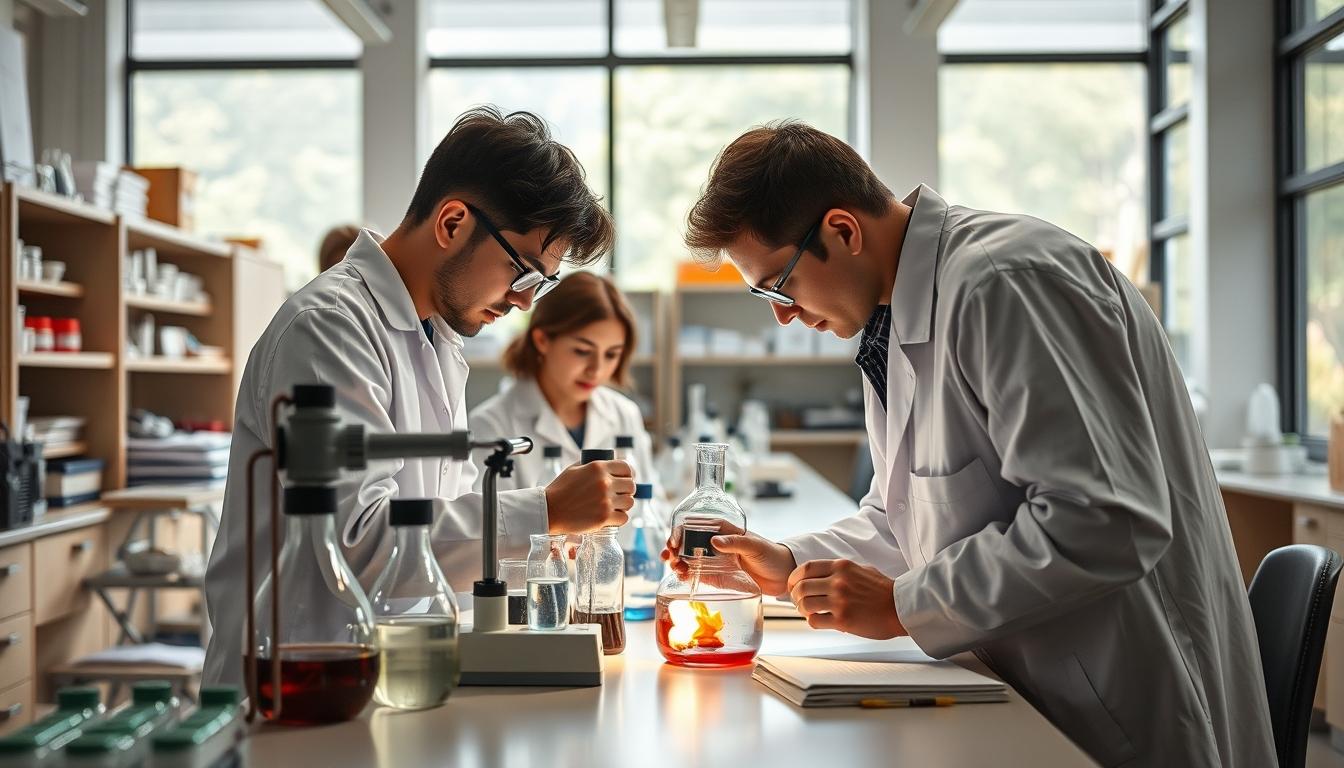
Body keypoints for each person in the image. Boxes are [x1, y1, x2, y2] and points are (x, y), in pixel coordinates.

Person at [669, 121, 1274, 767]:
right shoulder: (896, 323)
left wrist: (906, 606)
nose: (780, 314)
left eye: (776, 284)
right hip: (1024, 690)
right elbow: (908, 516)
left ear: (842, 231)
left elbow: (1106, 520)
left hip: (1118, 703)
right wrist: (789, 564)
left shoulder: (1006, 280)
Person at [204, 108, 635, 687]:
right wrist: (546, 511)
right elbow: (358, 541)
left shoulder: (434, 340)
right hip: (298, 683)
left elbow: (441, 521)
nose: (524, 301)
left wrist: (543, 544)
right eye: (523, 272)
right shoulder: (329, 328)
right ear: (453, 222)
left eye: (540, 284)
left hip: (390, 675)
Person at [470, 272, 656, 490]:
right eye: (582, 351)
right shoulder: (490, 425)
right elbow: (487, 520)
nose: (596, 370)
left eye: (611, 354)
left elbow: (652, 505)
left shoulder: (625, 414)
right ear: (542, 340)